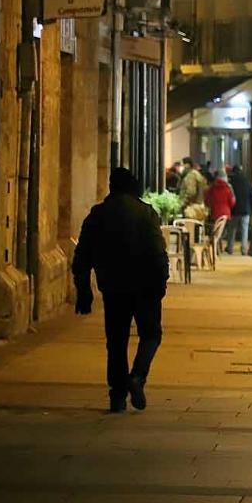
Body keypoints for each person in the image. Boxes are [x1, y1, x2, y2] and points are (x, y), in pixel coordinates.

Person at [72, 168, 169, 413]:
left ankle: (117, 396)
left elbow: (82, 256)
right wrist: (161, 283)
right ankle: (137, 377)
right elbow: (158, 252)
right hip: (146, 286)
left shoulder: (98, 214)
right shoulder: (146, 213)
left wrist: (84, 290)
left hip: (113, 287)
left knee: (116, 342)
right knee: (151, 334)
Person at [225, 166, 252, 255]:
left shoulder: (231, 182)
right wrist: (251, 208)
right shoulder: (247, 182)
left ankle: (230, 248)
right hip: (246, 210)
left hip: (234, 209)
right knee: (244, 230)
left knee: (232, 229)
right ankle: (244, 249)